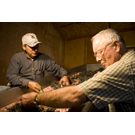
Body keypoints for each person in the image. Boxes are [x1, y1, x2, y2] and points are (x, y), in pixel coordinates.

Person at [22, 28, 135, 112]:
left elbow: (75, 95)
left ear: (116, 45)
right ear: (24, 47)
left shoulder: (126, 66)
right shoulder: (17, 59)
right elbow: (12, 76)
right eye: (95, 54)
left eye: (100, 52)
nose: (97, 59)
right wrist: (27, 82)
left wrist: (36, 98)